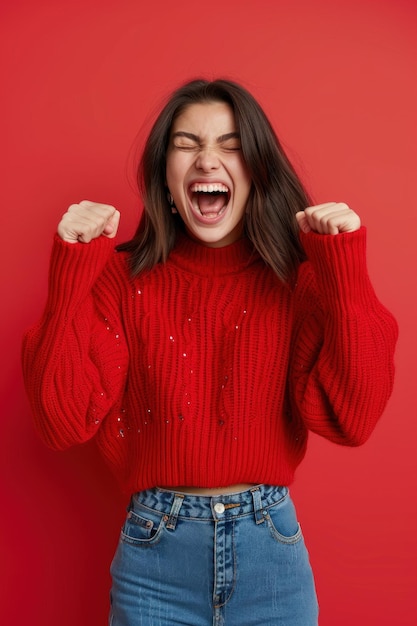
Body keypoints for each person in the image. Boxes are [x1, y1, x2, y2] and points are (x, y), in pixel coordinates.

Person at [22, 78, 398, 626]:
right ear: (165, 174)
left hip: (271, 556)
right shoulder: (119, 281)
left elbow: (353, 419)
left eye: (230, 144)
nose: (207, 159)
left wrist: (345, 270)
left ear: (257, 170)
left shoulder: (298, 283)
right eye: (186, 143)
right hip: (154, 560)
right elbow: (62, 421)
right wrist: (72, 274)